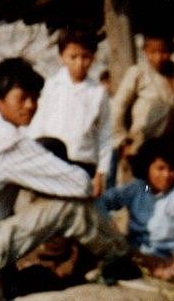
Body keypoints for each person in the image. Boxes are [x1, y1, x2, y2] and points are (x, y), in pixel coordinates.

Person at [0, 57, 130, 279]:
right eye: (22, 98)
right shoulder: (6, 139)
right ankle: (120, 259)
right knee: (70, 208)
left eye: (35, 98)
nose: (31, 105)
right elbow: (81, 186)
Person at [97, 137, 174, 280]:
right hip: (133, 252)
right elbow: (102, 202)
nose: (166, 175)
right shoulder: (142, 188)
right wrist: (110, 227)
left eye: (171, 169)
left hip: (165, 258)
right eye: (161, 168)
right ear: (147, 167)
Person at [28, 29, 115, 192]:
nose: (79, 63)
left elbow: (105, 135)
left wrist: (101, 173)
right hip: (52, 163)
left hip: (84, 165)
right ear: (62, 57)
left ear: (93, 57)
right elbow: (37, 125)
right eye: (73, 57)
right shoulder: (51, 87)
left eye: (85, 57)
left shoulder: (98, 92)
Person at [110, 32, 174, 182]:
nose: (158, 57)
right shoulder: (138, 73)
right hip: (141, 145)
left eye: (164, 51)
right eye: (153, 52)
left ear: (172, 50)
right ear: (145, 51)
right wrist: (122, 141)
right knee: (143, 189)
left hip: (169, 148)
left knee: (165, 190)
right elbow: (118, 107)